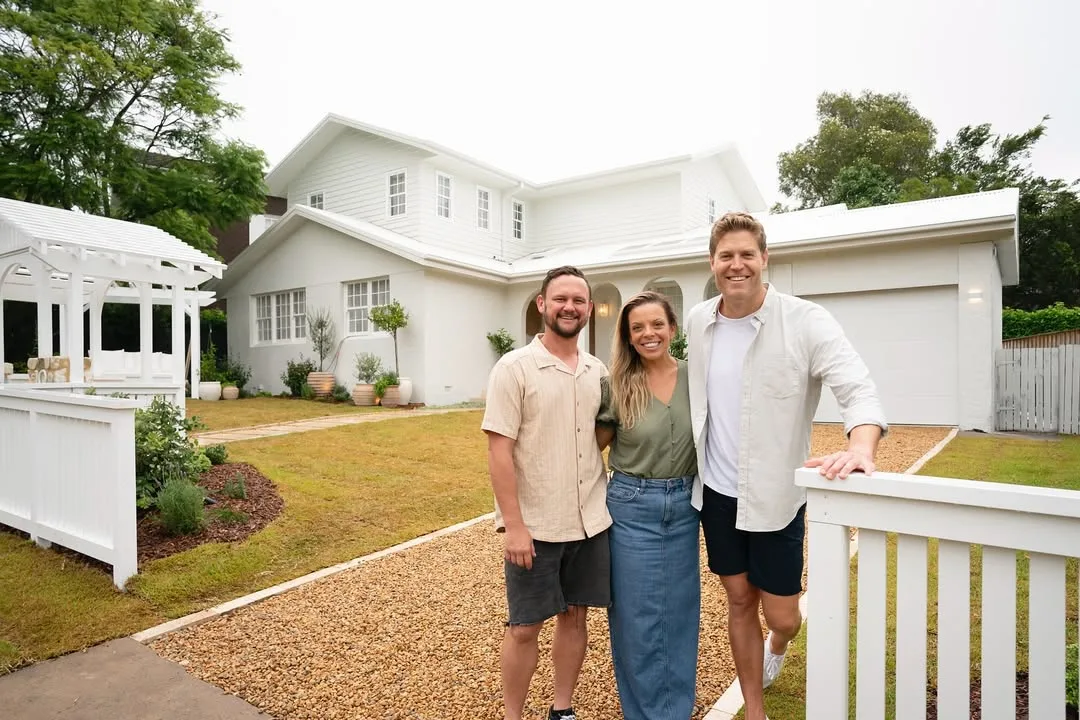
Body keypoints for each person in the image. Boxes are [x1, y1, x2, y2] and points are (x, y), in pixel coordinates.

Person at [685, 211, 888, 720]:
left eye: (746, 255)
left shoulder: (806, 320)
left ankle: (778, 644)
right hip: (716, 493)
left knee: (782, 614)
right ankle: (754, 707)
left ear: (764, 258)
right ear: (713, 263)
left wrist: (861, 448)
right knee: (737, 599)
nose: (737, 265)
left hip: (777, 496)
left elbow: (857, 388)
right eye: (726, 256)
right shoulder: (698, 321)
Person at [481, 265, 611, 720]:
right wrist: (513, 525)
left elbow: (599, 436)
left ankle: (562, 709)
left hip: (590, 521)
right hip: (535, 526)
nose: (570, 307)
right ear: (542, 304)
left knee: (575, 617)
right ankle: (513, 715)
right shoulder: (513, 369)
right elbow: (499, 450)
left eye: (578, 300)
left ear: (589, 310)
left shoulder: (598, 371)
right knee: (523, 627)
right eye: (560, 299)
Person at [595, 291, 700, 720]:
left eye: (656, 324)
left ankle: (675, 711)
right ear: (628, 336)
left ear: (672, 329)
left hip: (684, 507)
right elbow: (585, 452)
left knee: (679, 614)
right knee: (636, 620)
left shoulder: (700, 377)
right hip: (631, 508)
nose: (648, 333)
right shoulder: (617, 386)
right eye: (637, 327)